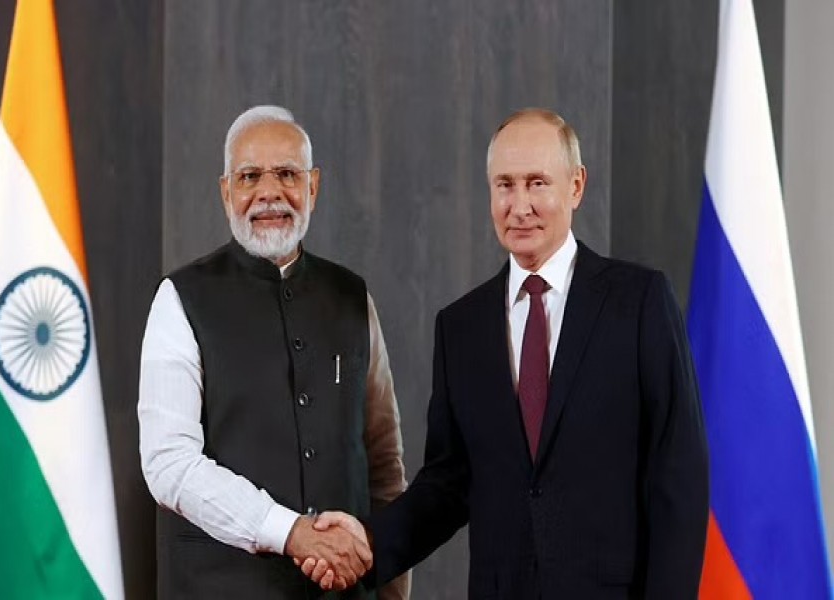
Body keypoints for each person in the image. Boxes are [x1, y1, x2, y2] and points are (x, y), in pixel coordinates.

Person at [302, 108, 709, 598]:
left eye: (538, 183)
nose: (520, 206)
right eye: (505, 185)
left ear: (576, 186)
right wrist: (368, 542)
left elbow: (677, 476)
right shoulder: (461, 327)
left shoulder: (639, 302)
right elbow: (448, 484)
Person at [138, 105, 410, 599]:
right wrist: (291, 531)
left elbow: (383, 462)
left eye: (287, 174)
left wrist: (390, 587)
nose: (269, 193)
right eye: (249, 176)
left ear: (313, 187)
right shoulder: (179, 299)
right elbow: (169, 463)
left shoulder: (352, 298)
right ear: (226, 192)